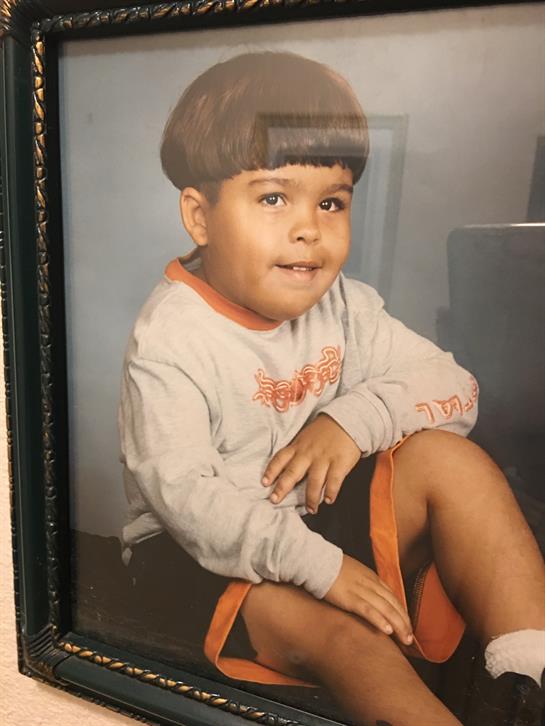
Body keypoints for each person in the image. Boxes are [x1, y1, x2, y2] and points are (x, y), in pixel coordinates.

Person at [118, 51, 545, 725]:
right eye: (272, 197)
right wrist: (321, 569)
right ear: (200, 218)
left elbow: (455, 386)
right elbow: (189, 501)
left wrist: (350, 421)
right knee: (353, 643)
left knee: (449, 459)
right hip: (197, 551)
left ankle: (525, 676)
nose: (307, 228)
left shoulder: (344, 305)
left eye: (330, 202)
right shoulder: (171, 339)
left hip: (309, 514)